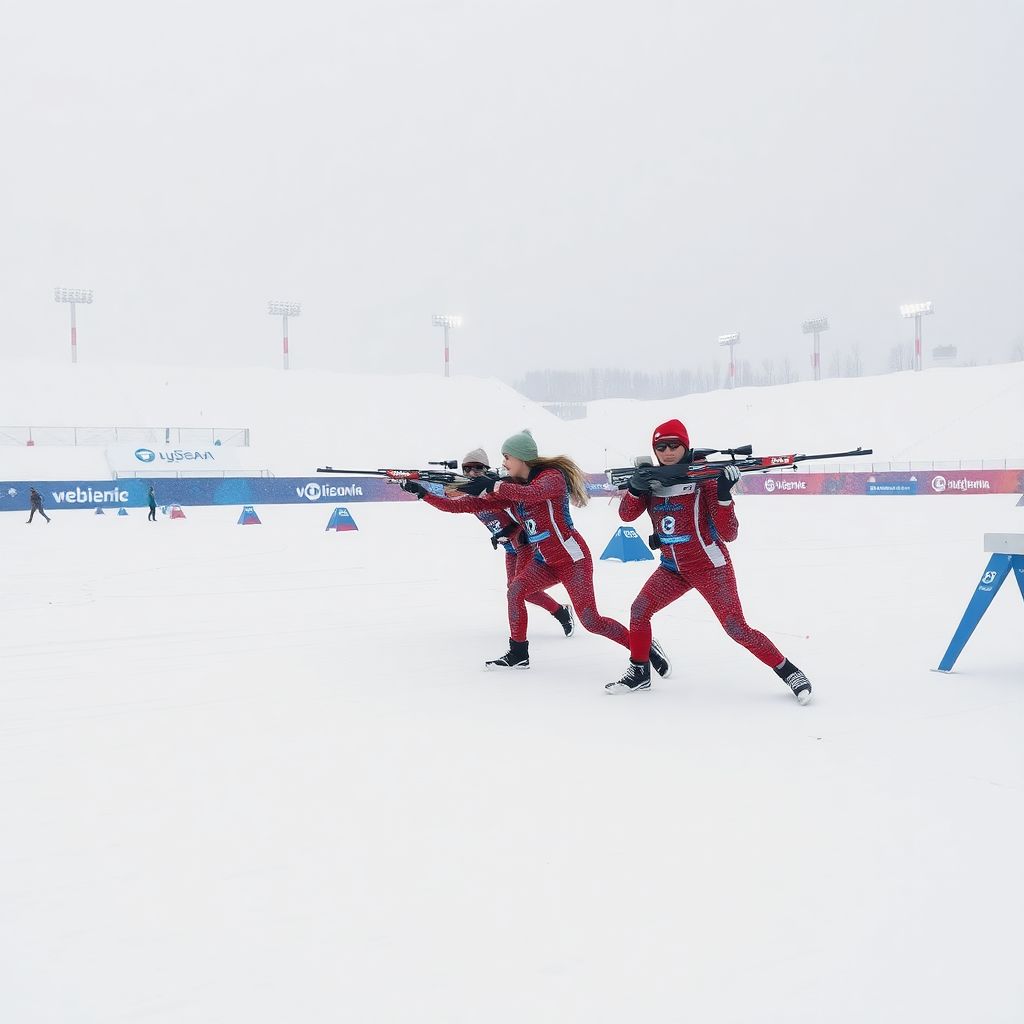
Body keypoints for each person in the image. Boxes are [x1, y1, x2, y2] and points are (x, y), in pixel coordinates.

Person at [606, 418, 812, 703]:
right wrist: (636, 488)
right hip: (672, 568)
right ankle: (639, 672)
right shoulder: (650, 478)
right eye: (661, 446)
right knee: (639, 612)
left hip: (710, 567)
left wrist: (725, 494)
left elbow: (729, 533)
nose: (667, 452)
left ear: (686, 446)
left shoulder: (703, 478)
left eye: (674, 445)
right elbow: (626, 515)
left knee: (736, 628)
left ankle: (789, 672)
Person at [456, 429, 635, 670]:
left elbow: (533, 494)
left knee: (591, 621)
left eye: (507, 457)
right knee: (516, 591)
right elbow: (466, 505)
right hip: (545, 560)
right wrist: (425, 494)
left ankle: (641, 647)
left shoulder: (551, 477)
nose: (503, 463)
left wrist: (494, 485)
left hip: (572, 560)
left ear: (521, 458)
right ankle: (519, 654)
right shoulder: (516, 484)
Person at [401, 448, 576, 637]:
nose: (471, 473)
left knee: (522, 591)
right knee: (515, 590)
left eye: (477, 468)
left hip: (525, 545)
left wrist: (509, 530)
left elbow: (523, 514)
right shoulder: (473, 492)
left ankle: (559, 613)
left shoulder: (497, 488)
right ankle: (559, 612)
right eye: (467, 469)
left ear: (486, 469)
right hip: (510, 548)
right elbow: (452, 505)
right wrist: (422, 493)